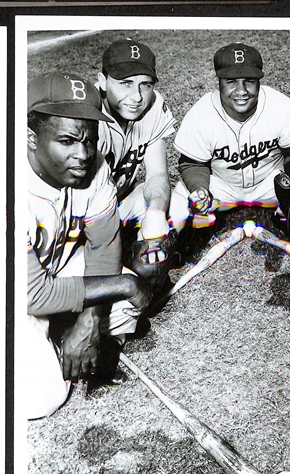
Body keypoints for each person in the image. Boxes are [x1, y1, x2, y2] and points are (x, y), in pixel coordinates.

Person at [25, 71, 151, 419]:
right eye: (66, 141)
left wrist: (91, 320)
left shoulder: (93, 168)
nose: (82, 154)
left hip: (56, 267)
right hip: (12, 295)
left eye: (89, 140)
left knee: (125, 307)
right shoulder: (9, 187)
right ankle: (48, 338)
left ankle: (67, 331)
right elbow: (32, 295)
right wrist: (123, 283)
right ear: (31, 137)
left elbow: (105, 246)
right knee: (43, 396)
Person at [169, 43, 290, 235]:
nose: (241, 90)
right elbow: (191, 163)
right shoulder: (201, 113)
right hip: (221, 187)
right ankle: (179, 243)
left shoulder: (278, 105)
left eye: (249, 81)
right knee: (180, 201)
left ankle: (283, 214)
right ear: (219, 81)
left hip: (270, 182)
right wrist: (200, 189)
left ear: (259, 81)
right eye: (231, 81)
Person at [96, 39, 178, 293]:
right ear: (102, 81)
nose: (137, 97)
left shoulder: (151, 105)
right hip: (79, 215)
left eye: (146, 84)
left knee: (175, 205)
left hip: (115, 202)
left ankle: (144, 258)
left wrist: (155, 212)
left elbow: (156, 174)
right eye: (125, 84)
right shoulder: (87, 116)